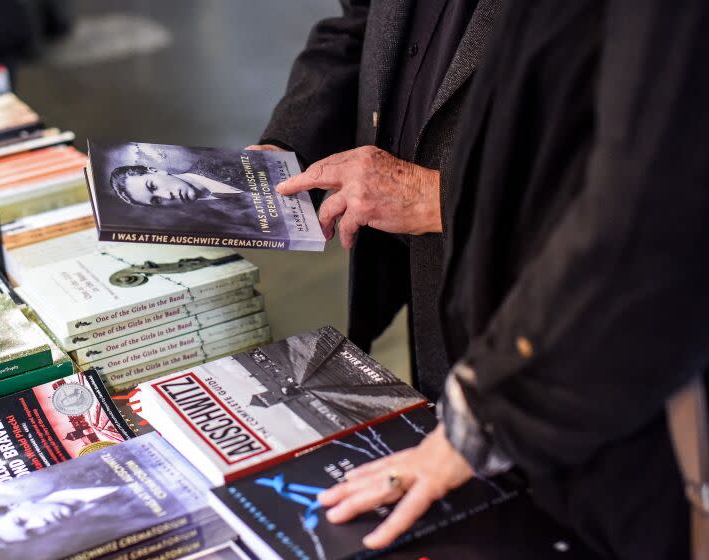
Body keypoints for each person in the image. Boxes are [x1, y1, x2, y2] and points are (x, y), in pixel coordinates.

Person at [283, 1, 707, 558]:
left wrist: (478, 422)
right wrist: (285, 154)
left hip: (589, 370)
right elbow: (367, 21)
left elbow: (648, 205)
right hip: (460, 322)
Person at [250, 0, 501, 399]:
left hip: (529, 297)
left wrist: (439, 198)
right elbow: (361, 23)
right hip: (425, 275)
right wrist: (287, 147)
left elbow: (620, 171)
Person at [110, 165, 244, 207]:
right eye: (156, 200)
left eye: (153, 186)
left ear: (155, 170)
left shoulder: (217, 162)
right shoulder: (224, 218)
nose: (167, 196)